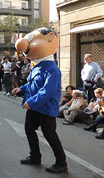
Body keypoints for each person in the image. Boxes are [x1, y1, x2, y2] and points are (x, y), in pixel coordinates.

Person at [13, 28, 67, 173]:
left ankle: (61, 162)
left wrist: (32, 102)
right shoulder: (37, 66)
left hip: (46, 108)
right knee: (29, 129)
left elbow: (47, 91)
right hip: (34, 107)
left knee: (50, 135)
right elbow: (32, 83)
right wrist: (22, 89)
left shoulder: (52, 69)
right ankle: (35, 156)